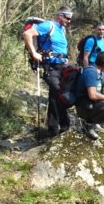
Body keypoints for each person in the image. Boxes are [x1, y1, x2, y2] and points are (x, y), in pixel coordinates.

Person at [23, 7, 72, 137]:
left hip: (61, 66)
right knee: (58, 92)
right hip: (50, 67)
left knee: (55, 96)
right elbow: (27, 34)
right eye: (67, 18)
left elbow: (59, 47)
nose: (69, 21)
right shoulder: (48, 25)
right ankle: (63, 126)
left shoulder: (62, 30)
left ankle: (54, 129)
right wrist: (34, 53)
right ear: (60, 15)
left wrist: (65, 58)